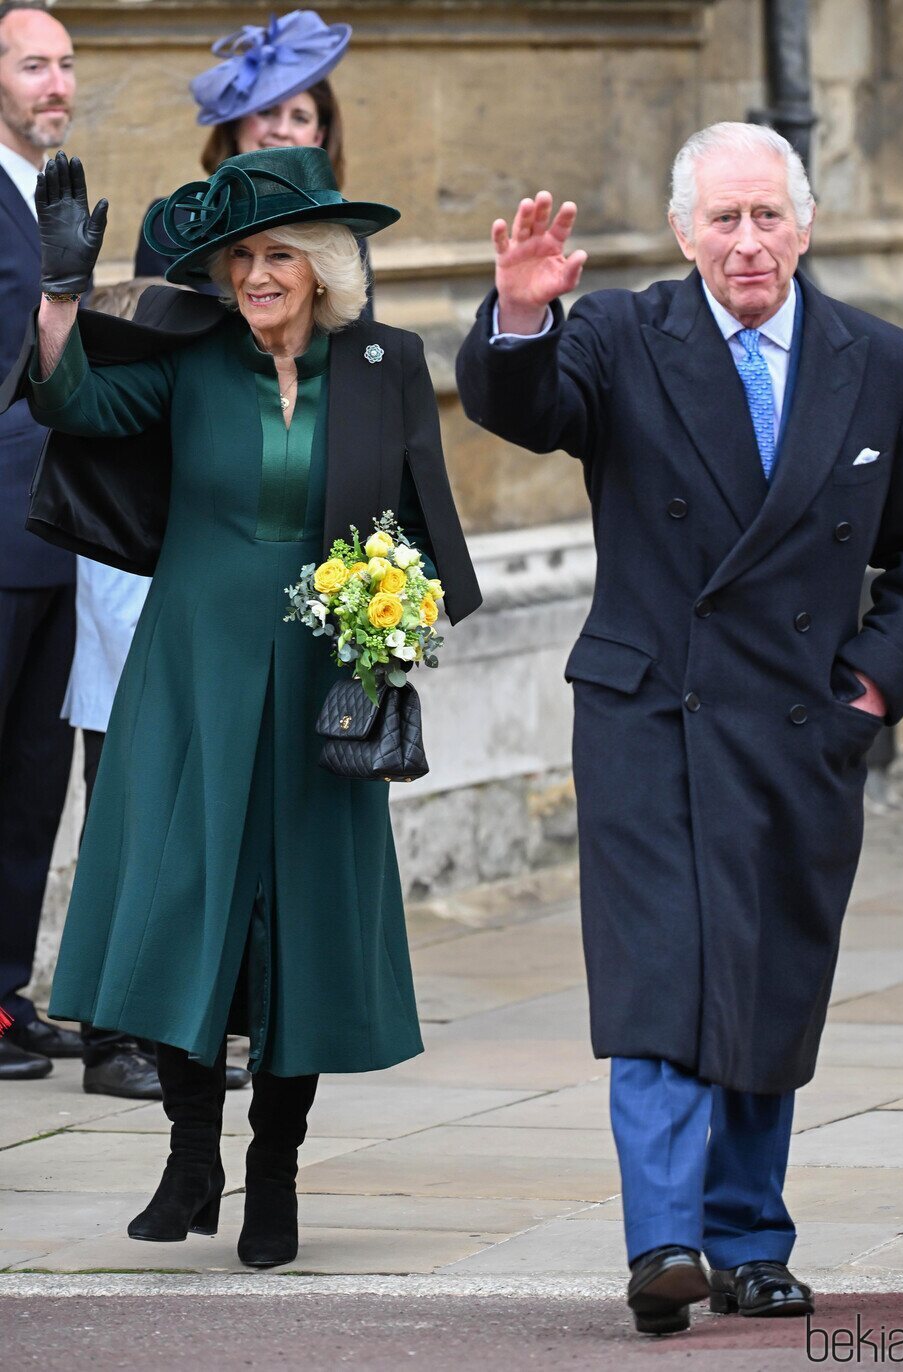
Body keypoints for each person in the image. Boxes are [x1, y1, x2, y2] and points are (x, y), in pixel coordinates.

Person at [455, 121, 903, 1334]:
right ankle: (669, 1238)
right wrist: (518, 318)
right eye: (723, 219)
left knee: (764, 976)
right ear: (684, 233)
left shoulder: (879, 360)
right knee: (660, 977)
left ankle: (748, 1239)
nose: (747, 241)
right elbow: (526, 410)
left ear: (803, 226)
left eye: (767, 216)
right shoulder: (627, 335)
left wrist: (868, 692)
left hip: (798, 725)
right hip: (649, 713)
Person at [21, 144, 481, 1268]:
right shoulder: (193, 358)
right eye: (242, 257)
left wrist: (395, 621)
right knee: (186, 904)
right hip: (192, 670)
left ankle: (273, 1172)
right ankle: (191, 1154)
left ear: (325, 266)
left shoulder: (383, 363)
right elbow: (71, 393)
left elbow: (422, 532)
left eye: (280, 254)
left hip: (325, 681)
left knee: (299, 933)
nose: (258, 275)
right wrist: (62, 288)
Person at [63, 278, 250, 1101]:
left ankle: (169, 1030)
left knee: (177, 862)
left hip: (184, 669)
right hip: (132, 672)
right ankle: (110, 1039)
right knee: (126, 852)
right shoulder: (127, 410)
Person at [0, 0, 83, 1080]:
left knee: (32, 779)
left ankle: (7, 994)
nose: (56, 84)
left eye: (65, 65)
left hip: (60, 534)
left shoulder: (56, 194)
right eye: (32, 66)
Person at [134, 10, 373, 314]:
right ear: (236, 124)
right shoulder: (173, 223)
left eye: (300, 117)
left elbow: (362, 346)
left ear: (319, 136)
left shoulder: (341, 229)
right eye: (267, 111)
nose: (281, 129)